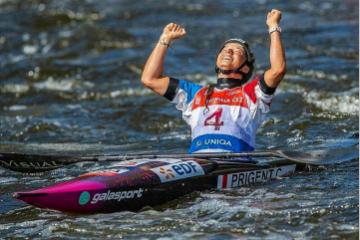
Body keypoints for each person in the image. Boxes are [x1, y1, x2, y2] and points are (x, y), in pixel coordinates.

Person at [141, 9, 286, 153]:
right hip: (197, 164)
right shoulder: (194, 94)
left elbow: (278, 70)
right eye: (225, 49)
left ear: (246, 69)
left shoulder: (253, 93)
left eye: (237, 51)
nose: (228, 51)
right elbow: (150, 79)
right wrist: (165, 39)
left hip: (236, 166)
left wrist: (273, 27)